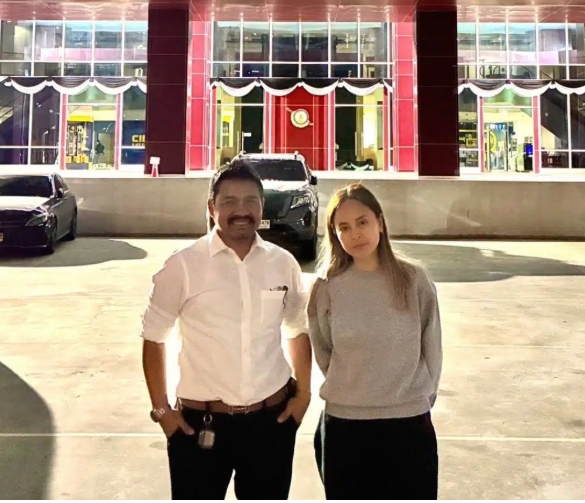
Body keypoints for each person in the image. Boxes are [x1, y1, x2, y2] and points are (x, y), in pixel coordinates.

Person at [141, 159, 312, 501]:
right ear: (212, 207)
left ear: (262, 206)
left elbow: (297, 330)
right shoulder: (182, 265)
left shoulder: (283, 263)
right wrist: (162, 411)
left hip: (271, 422)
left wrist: (303, 395)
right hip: (199, 426)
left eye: (250, 201)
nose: (241, 210)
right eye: (229, 201)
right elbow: (153, 337)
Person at [308, 182, 442, 500]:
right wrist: (353, 390)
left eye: (362, 222)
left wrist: (417, 398)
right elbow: (323, 350)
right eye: (344, 227)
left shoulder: (414, 280)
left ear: (380, 222)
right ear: (335, 235)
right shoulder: (326, 288)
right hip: (345, 427)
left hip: (408, 424)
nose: (355, 234)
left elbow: (432, 347)